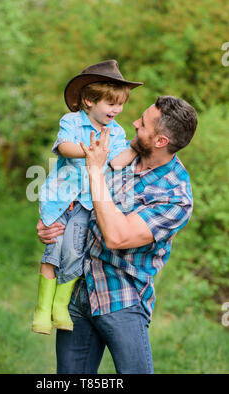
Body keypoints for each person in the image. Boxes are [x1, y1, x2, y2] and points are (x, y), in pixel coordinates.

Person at [36, 95, 198, 374]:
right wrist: (52, 222)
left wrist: (96, 171)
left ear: (161, 141)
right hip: (77, 287)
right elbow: (75, 192)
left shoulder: (175, 196)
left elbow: (117, 237)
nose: (134, 122)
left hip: (122, 297)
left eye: (144, 123)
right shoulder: (120, 152)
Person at [31, 60, 143, 335]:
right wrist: (89, 152)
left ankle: (60, 305)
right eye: (111, 104)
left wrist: (137, 146)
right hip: (59, 198)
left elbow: (116, 162)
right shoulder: (71, 121)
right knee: (53, 249)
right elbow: (64, 147)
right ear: (89, 101)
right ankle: (42, 309)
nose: (116, 110)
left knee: (73, 251)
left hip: (86, 202)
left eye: (120, 105)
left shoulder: (116, 132)